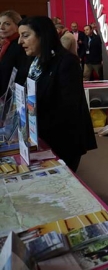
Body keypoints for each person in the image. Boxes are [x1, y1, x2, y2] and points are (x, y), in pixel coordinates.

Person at [17, 16, 97, 171]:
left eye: (25, 36)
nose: (20, 41)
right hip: (39, 136)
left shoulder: (67, 62)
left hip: (63, 140)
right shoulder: (33, 61)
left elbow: (68, 107)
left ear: (43, 35)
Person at [0, 10, 29, 96]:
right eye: (0, 23)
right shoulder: (7, 43)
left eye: (7, 24)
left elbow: (21, 74)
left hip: (13, 96)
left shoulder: (20, 45)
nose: (1, 27)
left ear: (18, 26)